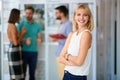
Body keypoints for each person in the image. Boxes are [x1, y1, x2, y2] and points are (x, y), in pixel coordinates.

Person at [58, 4, 94, 80]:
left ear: (89, 18)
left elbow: (79, 61)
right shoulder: (71, 34)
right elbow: (60, 58)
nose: (81, 18)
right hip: (66, 74)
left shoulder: (86, 34)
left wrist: (67, 56)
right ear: (74, 17)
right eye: (78, 14)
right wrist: (71, 62)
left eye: (85, 15)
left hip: (77, 77)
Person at [17, 6, 42, 80]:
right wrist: (24, 40)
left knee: (32, 74)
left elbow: (39, 37)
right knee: (23, 74)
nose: (28, 15)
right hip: (23, 52)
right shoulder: (21, 24)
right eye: (26, 13)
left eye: (30, 13)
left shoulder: (37, 25)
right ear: (25, 13)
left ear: (33, 14)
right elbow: (16, 39)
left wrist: (39, 39)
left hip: (34, 52)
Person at [49, 5, 72, 80]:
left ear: (62, 13)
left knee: (63, 76)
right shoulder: (61, 24)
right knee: (61, 75)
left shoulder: (68, 24)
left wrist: (58, 39)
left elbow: (70, 40)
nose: (55, 14)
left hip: (64, 54)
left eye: (57, 13)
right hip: (59, 53)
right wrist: (56, 38)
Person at [7, 8, 26, 80]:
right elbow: (15, 42)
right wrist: (23, 33)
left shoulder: (12, 25)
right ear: (15, 16)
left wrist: (21, 32)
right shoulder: (12, 26)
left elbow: (16, 38)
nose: (19, 17)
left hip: (15, 50)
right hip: (14, 51)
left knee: (14, 75)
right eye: (19, 15)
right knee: (16, 76)